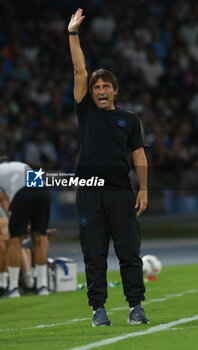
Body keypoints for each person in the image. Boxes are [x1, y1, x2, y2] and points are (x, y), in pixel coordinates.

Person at [68, 9, 149, 326]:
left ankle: (135, 307)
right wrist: (73, 34)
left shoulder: (130, 120)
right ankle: (97, 310)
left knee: (130, 253)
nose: (100, 91)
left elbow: (139, 156)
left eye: (106, 87)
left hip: (119, 192)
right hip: (89, 192)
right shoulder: (85, 109)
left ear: (115, 91)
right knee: (94, 254)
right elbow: (79, 70)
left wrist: (143, 188)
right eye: (96, 86)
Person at [0, 157, 51, 297]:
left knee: (15, 240)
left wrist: (12, 219)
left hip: (22, 192)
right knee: (40, 237)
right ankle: (42, 286)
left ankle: (13, 288)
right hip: (42, 188)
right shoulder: (21, 164)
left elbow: (3, 198)